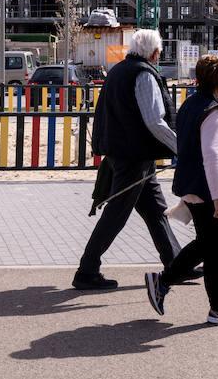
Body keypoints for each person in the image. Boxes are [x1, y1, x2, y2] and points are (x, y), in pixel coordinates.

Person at [73, 29, 182, 291]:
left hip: (126, 152)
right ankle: (86, 271)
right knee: (116, 215)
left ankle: (177, 264)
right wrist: (183, 147)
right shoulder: (143, 75)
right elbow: (154, 121)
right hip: (135, 156)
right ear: (155, 53)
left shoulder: (119, 70)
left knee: (157, 211)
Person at [145, 54, 218, 325]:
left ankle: (168, 284)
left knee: (208, 247)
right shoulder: (213, 110)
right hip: (208, 192)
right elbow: (212, 155)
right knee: (215, 251)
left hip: (193, 187)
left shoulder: (191, 103)